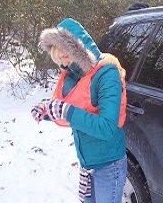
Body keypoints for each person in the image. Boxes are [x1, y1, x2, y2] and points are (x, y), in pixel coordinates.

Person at [30, 18, 127, 203]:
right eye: (60, 57)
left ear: (80, 50)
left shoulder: (107, 75)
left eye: (67, 54)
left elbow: (107, 128)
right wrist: (46, 112)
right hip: (87, 163)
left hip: (109, 165)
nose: (64, 62)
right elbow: (72, 109)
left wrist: (66, 110)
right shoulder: (73, 75)